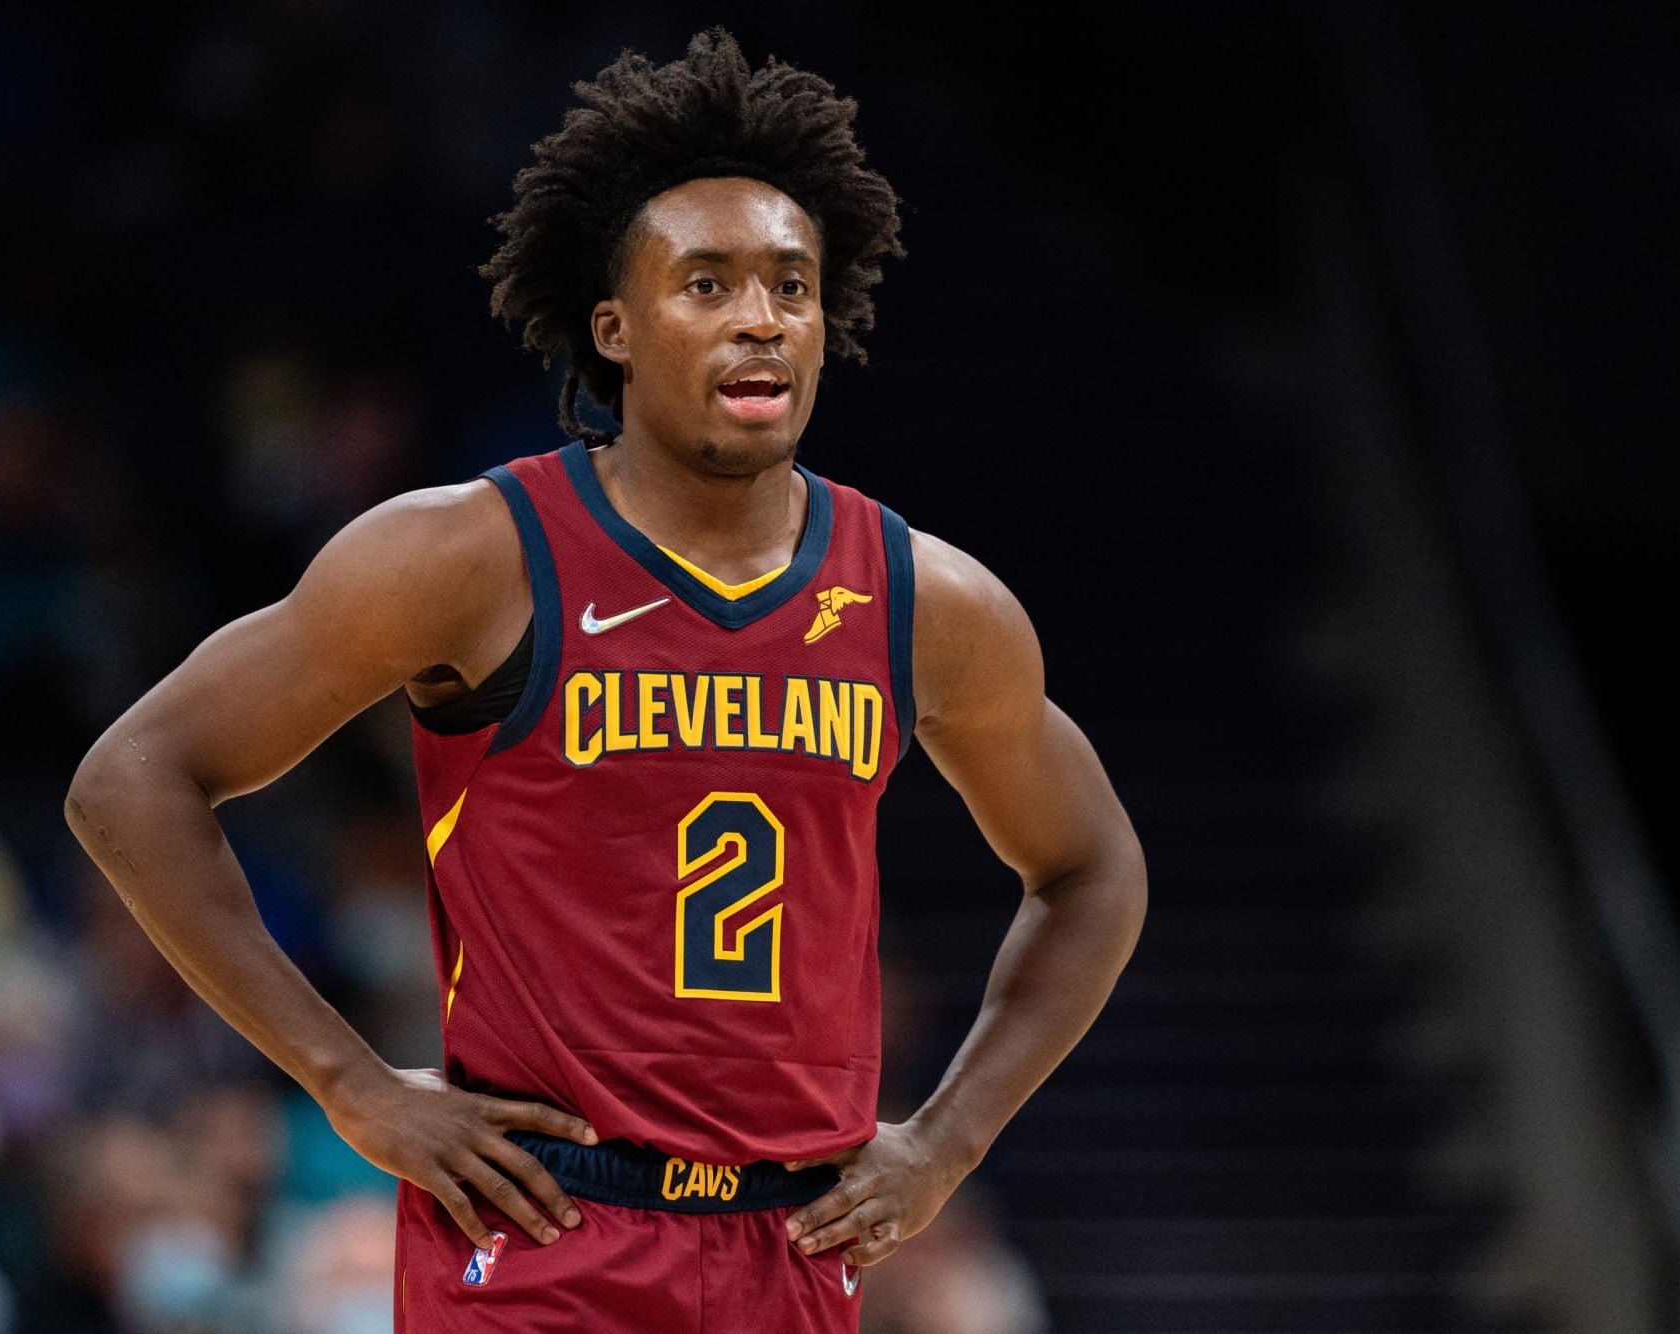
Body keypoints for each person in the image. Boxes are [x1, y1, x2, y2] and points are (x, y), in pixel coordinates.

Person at [65, 30, 1146, 1333]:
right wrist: (349, 1082)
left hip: (791, 1245)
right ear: (614, 328)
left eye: (790, 286)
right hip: (540, 1230)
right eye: (708, 283)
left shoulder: (930, 602)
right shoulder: (467, 558)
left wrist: (950, 1136)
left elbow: (1092, 868)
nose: (759, 318)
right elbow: (133, 781)